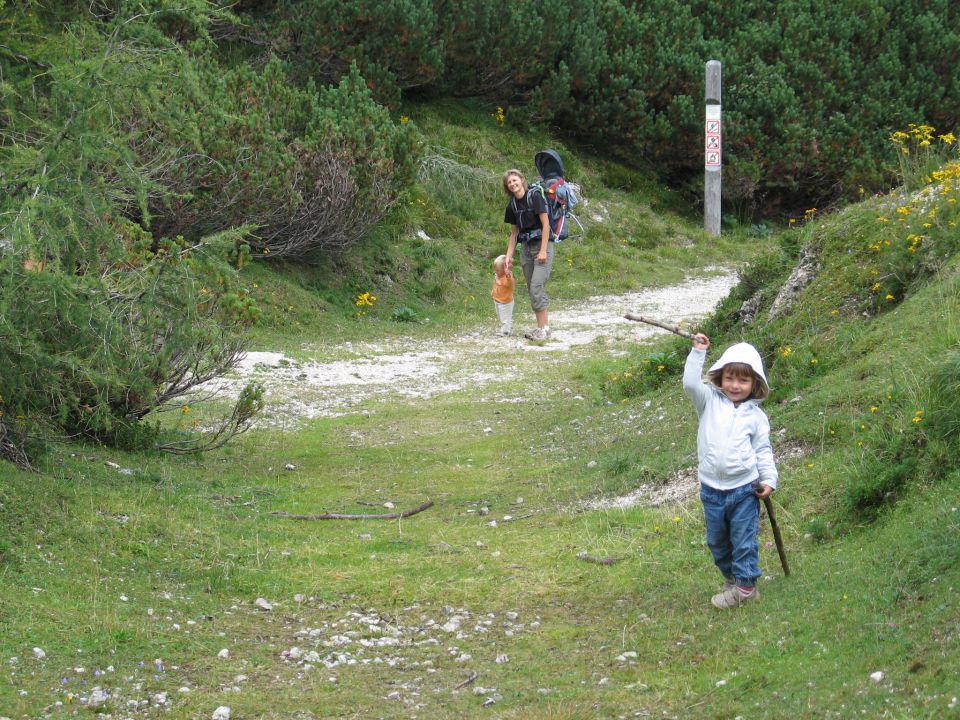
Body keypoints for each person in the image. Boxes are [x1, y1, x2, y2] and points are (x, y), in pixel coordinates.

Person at [682, 334, 779, 609]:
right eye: (730, 378)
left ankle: (746, 589)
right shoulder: (708, 401)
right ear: (720, 377)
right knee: (717, 542)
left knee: (743, 540)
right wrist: (698, 352)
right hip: (711, 489)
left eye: (743, 380)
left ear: (755, 384)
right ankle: (733, 580)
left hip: (744, 490)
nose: (735, 386)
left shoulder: (756, 417)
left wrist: (769, 480)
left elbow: (763, 450)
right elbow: (690, 383)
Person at [502, 169, 552, 341]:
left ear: (522, 180)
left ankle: (542, 329)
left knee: (536, 287)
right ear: (507, 187)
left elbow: (546, 225)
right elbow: (514, 233)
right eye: (509, 183)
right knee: (533, 289)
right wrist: (509, 256)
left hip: (542, 245)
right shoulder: (512, 206)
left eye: (515, 180)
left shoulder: (535, 196)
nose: (513, 184)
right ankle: (544, 327)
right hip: (526, 248)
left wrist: (544, 250)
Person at [490, 254, 515, 336]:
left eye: (498, 270)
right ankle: (506, 328)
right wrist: (493, 292)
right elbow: (497, 285)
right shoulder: (498, 276)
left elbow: (509, 284)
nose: (496, 272)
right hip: (498, 300)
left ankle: (506, 331)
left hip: (506, 302)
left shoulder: (508, 277)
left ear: (505, 269)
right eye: (495, 270)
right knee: (501, 316)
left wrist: (508, 276)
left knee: (505, 317)